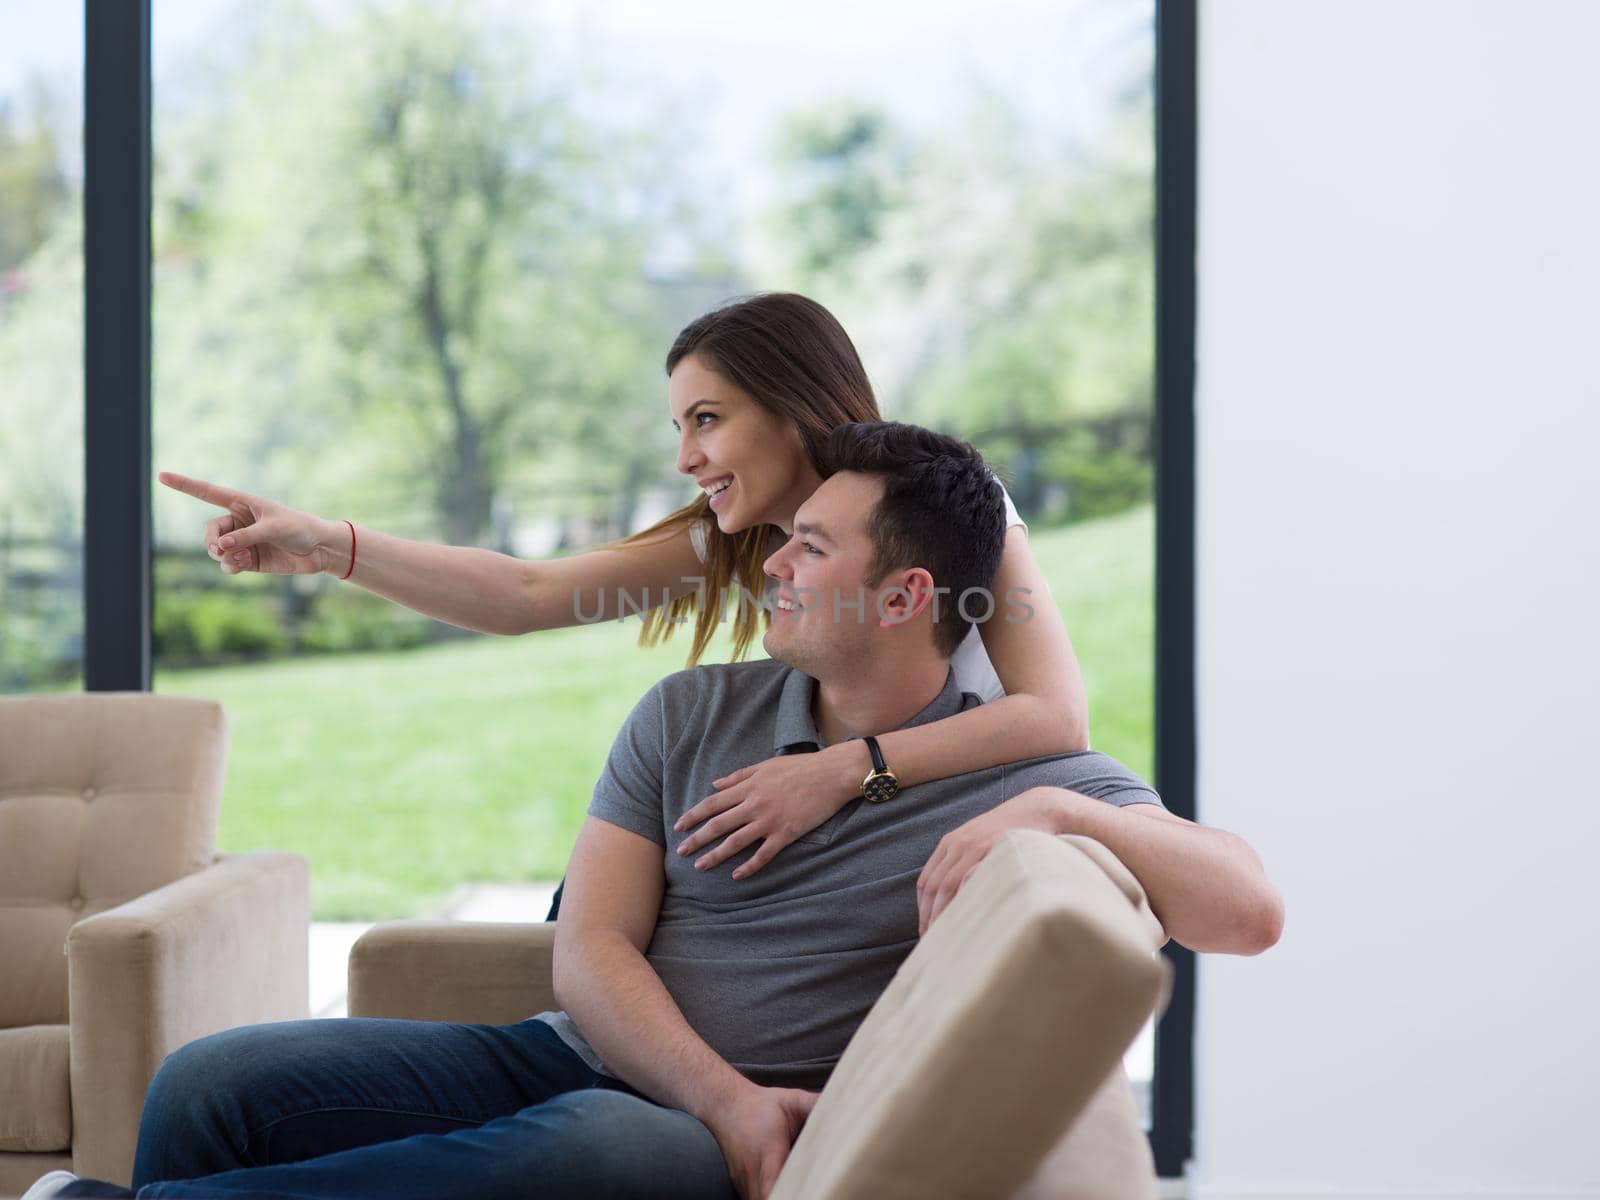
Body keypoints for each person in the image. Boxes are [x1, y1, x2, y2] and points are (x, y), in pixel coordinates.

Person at [31, 423, 1282, 1200]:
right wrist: (709, 1090)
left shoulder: (1020, 770)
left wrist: (1064, 819)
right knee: (211, 1085)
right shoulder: (691, 715)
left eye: (807, 547)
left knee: (585, 1153)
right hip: (593, 1048)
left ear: (906, 596)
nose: (770, 568)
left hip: (710, 1126)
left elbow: (1247, 909)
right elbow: (591, 946)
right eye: (780, 537)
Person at [157, 293, 1093, 880]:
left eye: (708, 420)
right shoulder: (733, 539)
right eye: (680, 426)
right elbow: (528, 596)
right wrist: (330, 547)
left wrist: (843, 772)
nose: (687, 457)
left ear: (794, 410)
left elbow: (1056, 717)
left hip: (901, 838)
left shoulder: (947, 509)